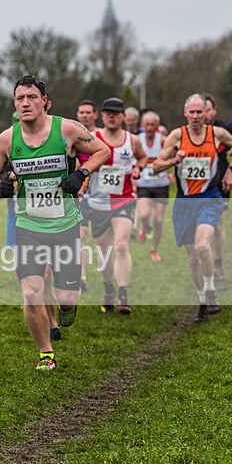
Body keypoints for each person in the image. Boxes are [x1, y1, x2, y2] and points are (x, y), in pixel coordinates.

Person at [0, 76, 109, 371]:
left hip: (65, 224)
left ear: (45, 102)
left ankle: (67, 304)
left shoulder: (66, 130)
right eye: (19, 98)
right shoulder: (7, 139)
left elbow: (102, 151)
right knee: (30, 292)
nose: (25, 103)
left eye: (31, 97)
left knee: (66, 297)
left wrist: (82, 173)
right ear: (15, 104)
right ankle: (46, 353)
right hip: (28, 226)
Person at [153, 94, 232, 323]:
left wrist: (231, 169)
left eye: (199, 112)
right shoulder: (177, 136)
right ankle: (202, 299)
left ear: (206, 113)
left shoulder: (216, 134)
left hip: (209, 198)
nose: (195, 116)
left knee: (203, 246)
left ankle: (211, 290)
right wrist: (174, 161)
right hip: (184, 203)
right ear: (185, 113)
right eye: (191, 112)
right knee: (192, 258)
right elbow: (156, 166)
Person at [85, 98, 147, 315]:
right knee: (104, 252)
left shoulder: (133, 140)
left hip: (125, 199)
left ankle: (123, 294)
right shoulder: (93, 138)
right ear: (102, 116)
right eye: (108, 112)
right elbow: (80, 161)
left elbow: (142, 158)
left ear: (123, 116)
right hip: (98, 203)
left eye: (116, 113)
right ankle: (108, 287)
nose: (112, 116)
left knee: (121, 246)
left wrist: (139, 168)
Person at [202, 94, 232, 282]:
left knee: (217, 226)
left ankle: (217, 261)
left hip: (220, 182)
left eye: (207, 110)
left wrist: (231, 170)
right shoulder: (189, 133)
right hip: (198, 187)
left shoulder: (224, 129)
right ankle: (205, 261)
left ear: (214, 110)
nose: (204, 114)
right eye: (201, 110)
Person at [134, 111, 170, 262]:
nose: (149, 128)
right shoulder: (137, 140)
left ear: (157, 126)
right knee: (143, 214)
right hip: (143, 184)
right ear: (142, 125)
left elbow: (175, 156)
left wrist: (172, 173)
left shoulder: (163, 140)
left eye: (152, 125)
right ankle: (145, 227)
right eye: (146, 124)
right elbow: (131, 158)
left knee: (159, 221)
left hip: (161, 184)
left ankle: (154, 249)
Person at [75, 99, 98, 293]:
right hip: (81, 194)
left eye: (88, 112)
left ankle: (108, 271)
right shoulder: (73, 136)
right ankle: (82, 276)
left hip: (102, 194)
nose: (85, 115)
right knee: (81, 235)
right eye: (81, 112)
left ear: (95, 115)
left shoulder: (101, 136)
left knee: (103, 239)